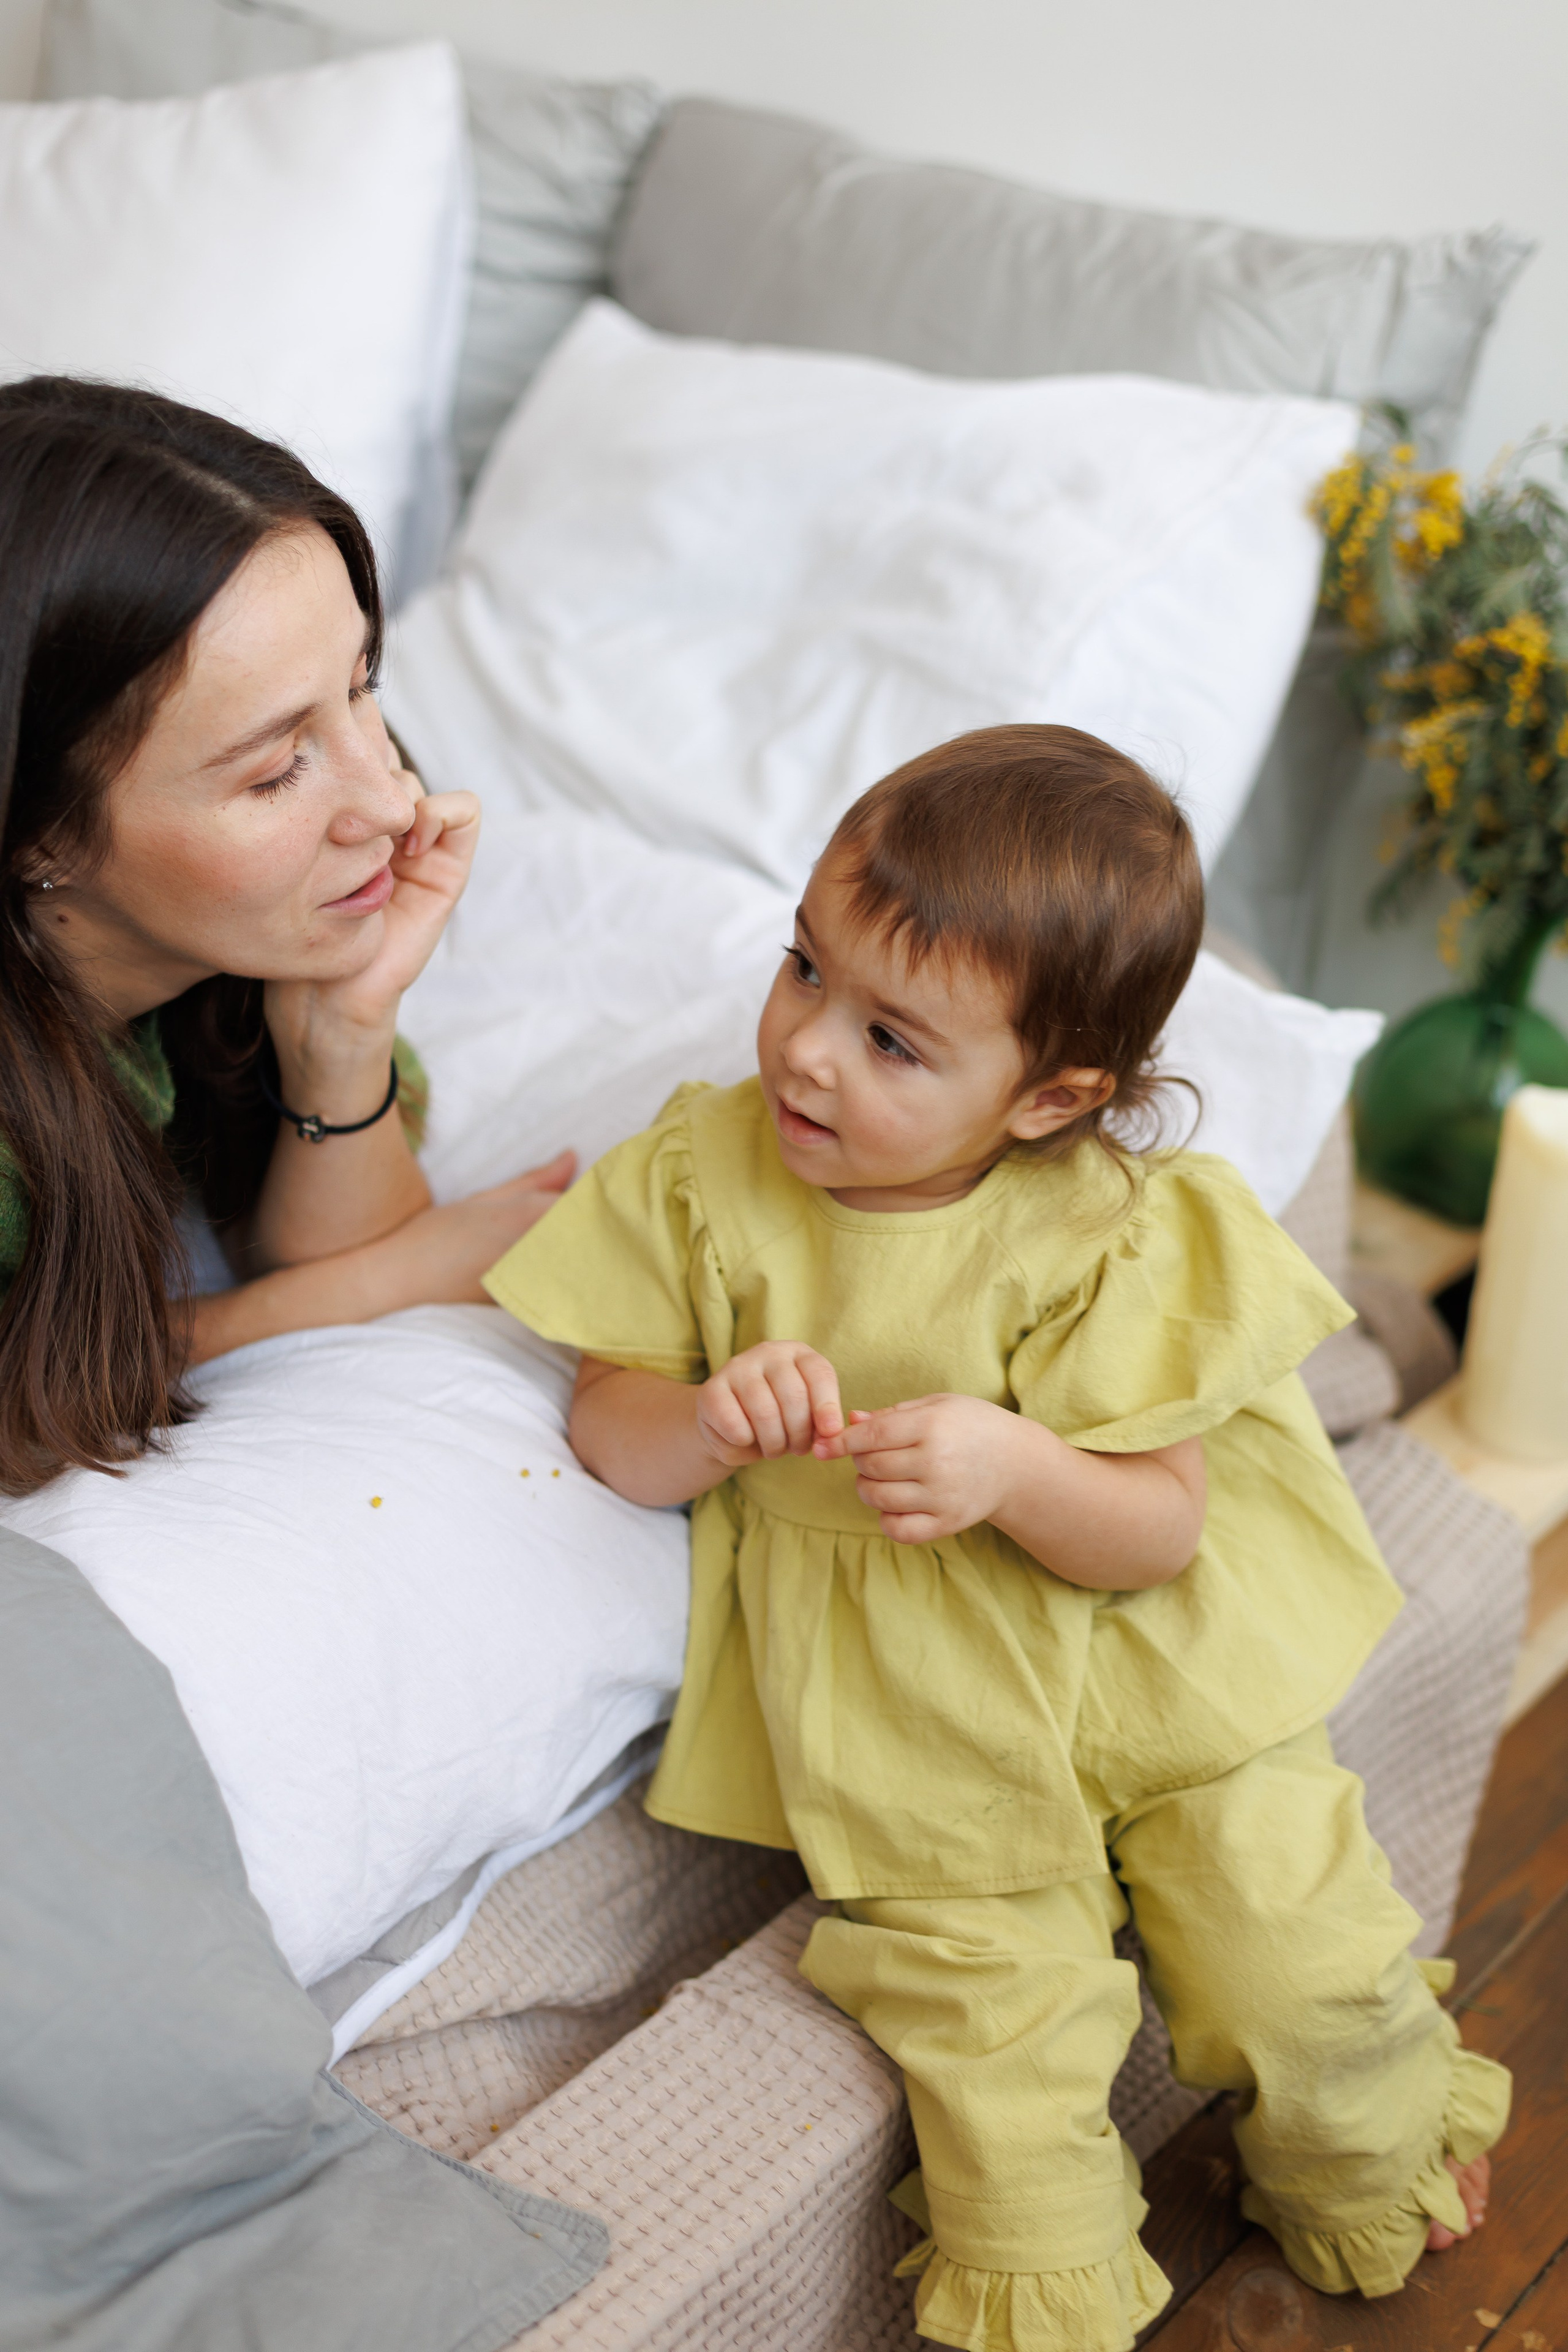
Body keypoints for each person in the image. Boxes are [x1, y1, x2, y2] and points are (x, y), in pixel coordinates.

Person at [483, 724, 1509, 2352]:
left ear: (1052, 1096)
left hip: (1149, 1675)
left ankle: (1366, 2158)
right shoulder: (703, 1172)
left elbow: (1160, 1532)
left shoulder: (1110, 1227)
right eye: (802, 969)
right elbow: (610, 1430)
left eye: (892, 1039)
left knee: (1292, 1958)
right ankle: (1053, 2307)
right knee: (996, 2067)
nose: (808, 1050)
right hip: (911, 1724)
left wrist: (1020, 1468)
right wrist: (705, 1418)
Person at [0, 378, 571, 1498]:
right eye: (275, 772)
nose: (396, 801)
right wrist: (356, 1290)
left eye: (362, 686)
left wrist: (344, 1028)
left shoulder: (216, 955)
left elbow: (314, 1231)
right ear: (38, 837)